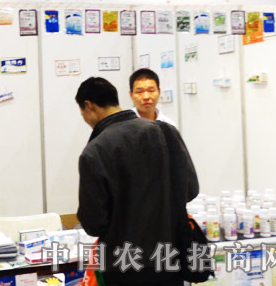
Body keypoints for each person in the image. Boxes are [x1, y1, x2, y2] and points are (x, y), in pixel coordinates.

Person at [75, 77, 199, 286]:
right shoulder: (166, 132)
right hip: (170, 257)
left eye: (83, 114)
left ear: (89, 106)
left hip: (123, 264)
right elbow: (190, 190)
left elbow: (94, 223)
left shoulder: (95, 151)